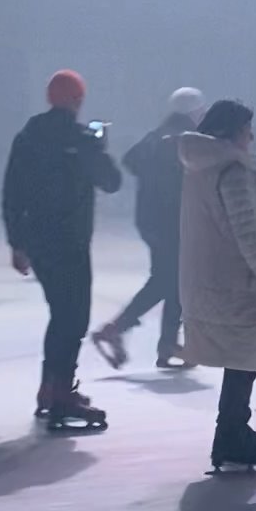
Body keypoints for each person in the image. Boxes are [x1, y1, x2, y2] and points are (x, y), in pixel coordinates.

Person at [177, 99, 256, 472]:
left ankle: (233, 430)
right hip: (239, 283)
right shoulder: (233, 171)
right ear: (231, 133)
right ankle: (229, 436)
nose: (251, 136)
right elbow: (248, 234)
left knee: (241, 361)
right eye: (247, 129)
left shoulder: (201, 168)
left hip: (214, 279)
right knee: (245, 361)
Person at [2, 70, 122, 431]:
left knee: (60, 314)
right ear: (77, 100)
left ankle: (50, 388)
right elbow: (112, 182)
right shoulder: (80, 139)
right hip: (70, 240)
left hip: (37, 241)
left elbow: (11, 192)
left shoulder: (27, 137)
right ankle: (60, 395)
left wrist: (16, 243)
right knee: (73, 318)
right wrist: (100, 147)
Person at [92, 87, 205, 372]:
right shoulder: (184, 138)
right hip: (172, 221)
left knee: (173, 280)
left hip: (150, 220)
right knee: (168, 281)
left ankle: (166, 343)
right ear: (192, 111)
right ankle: (118, 328)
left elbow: (130, 160)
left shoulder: (157, 135)